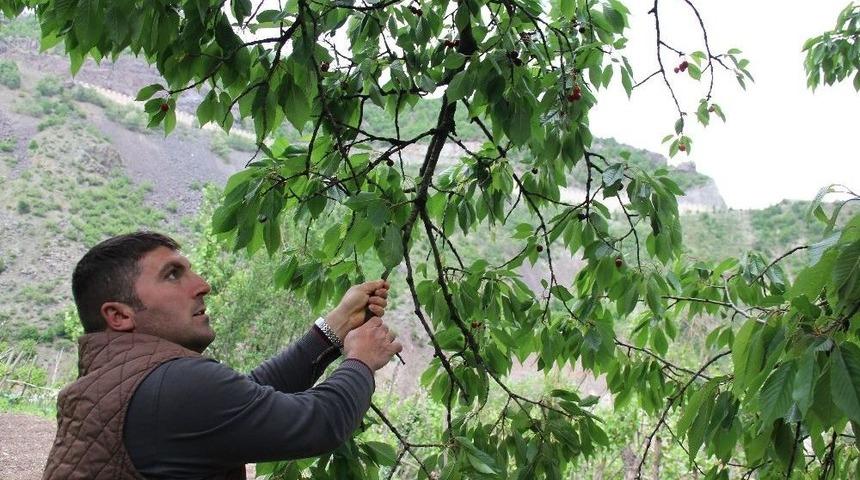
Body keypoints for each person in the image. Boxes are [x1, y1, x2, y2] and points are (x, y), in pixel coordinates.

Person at [43, 231, 402, 479]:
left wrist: (337, 324)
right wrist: (361, 359)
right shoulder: (172, 386)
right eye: (172, 275)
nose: (203, 285)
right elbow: (319, 423)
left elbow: (246, 395)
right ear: (119, 316)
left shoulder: (125, 382)